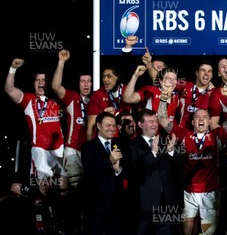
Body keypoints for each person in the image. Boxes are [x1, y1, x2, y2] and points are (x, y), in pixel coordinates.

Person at [158, 85, 227, 235]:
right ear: (193, 122)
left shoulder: (217, 135)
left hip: (210, 191)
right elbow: (162, 119)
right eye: (197, 117)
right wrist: (163, 99)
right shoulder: (183, 134)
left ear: (209, 121)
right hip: (188, 191)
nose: (201, 119)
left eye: (204, 117)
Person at [4, 58, 68, 197]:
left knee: (63, 186)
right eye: (37, 80)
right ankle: (43, 213)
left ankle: (62, 215)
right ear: (33, 83)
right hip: (40, 149)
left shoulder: (56, 100)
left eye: (43, 80)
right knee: (43, 187)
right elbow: (9, 89)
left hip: (59, 148)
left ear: (48, 83)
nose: (40, 82)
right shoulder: (28, 99)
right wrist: (13, 69)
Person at [128, 109, 182, 235]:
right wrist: (152, 153)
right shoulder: (132, 145)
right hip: (144, 205)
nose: (155, 124)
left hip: (165, 203)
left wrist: (170, 152)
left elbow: (178, 169)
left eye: (156, 121)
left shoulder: (165, 142)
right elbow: (135, 171)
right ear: (140, 125)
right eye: (150, 121)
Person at [79, 111, 128, 235]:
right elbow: (90, 173)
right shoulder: (88, 147)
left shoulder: (120, 144)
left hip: (117, 205)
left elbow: (128, 172)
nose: (112, 128)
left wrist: (119, 170)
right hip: (96, 204)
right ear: (99, 126)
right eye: (108, 125)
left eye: (114, 125)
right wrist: (109, 161)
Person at [51, 49, 92, 189]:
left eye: (88, 81)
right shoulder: (72, 97)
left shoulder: (97, 99)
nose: (86, 85)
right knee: (76, 188)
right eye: (82, 81)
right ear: (78, 84)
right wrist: (61, 62)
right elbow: (55, 86)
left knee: (90, 189)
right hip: (73, 149)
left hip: (91, 150)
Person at [86, 66, 132, 140]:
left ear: (118, 77)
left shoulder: (128, 92)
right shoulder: (98, 94)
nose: (105, 79)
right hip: (104, 141)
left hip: (127, 140)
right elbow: (90, 126)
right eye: (103, 76)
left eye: (109, 76)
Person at [178, 61, 214, 129]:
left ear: (212, 75)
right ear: (197, 73)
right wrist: (150, 64)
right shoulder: (185, 84)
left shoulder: (214, 93)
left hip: (202, 135)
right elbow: (165, 82)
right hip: (181, 132)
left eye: (209, 71)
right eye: (203, 70)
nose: (206, 73)